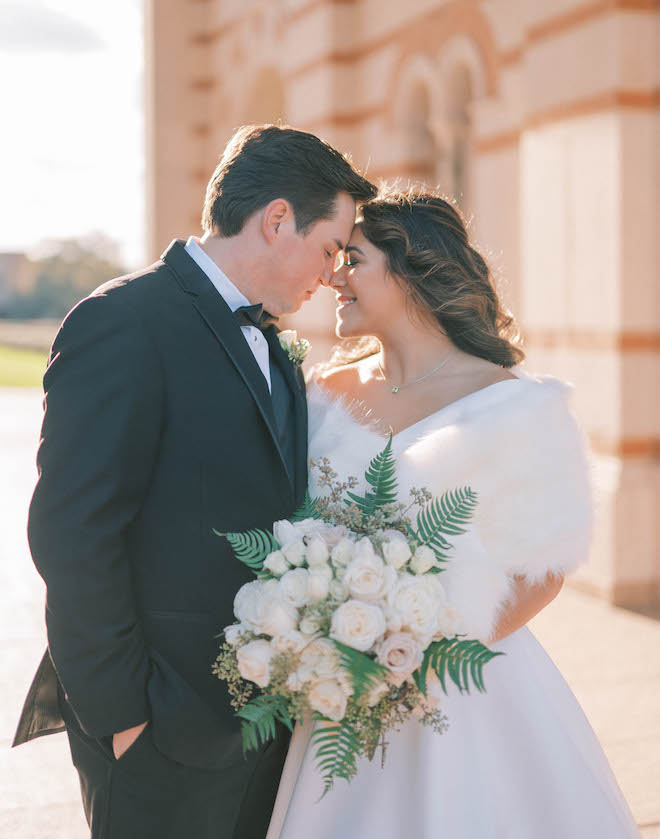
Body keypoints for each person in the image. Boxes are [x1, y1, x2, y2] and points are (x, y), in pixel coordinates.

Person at [12, 124, 376, 839]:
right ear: (276, 221)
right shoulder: (122, 321)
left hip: (260, 726)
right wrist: (126, 720)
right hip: (157, 732)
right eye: (330, 247)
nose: (334, 273)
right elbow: (71, 535)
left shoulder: (274, 341)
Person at [267, 188, 641, 838]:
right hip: (336, 698)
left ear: (411, 270)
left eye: (353, 258)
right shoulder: (321, 392)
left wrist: (413, 656)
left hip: (462, 696)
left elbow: (543, 571)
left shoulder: (517, 406)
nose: (333, 275)